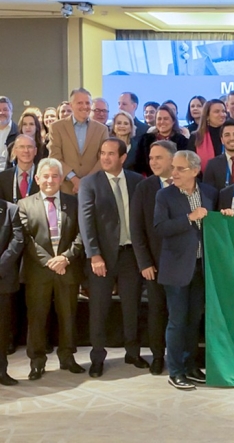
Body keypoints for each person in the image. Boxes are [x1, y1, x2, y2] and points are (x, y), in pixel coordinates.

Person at [78, 138, 147, 377]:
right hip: (102, 258)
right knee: (99, 309)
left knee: (132, 307)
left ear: (123, 157)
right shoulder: (90, 183)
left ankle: (133, 352)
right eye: (102, 153)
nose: (105, 157)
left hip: (131, 256)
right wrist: (94, 255)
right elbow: (86, 223)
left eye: (110, 153)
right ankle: (97, 357)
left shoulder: (138, 181)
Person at [154, 150, 218, 390]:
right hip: (176, 268)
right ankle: (176, 371)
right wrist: (189, 218)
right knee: (177, 321)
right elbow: (160, 228)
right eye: (173, 168)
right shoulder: (165, 196)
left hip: (202, 267)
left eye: (180, 169)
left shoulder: (210, 193)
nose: (174, 173)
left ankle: (190, 366)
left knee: (194, 320)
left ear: (195, 170)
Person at [18, 158, 86, 380]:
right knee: (37, 318)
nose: (50, 180)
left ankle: (67, 358)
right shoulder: (24, 205)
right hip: (39, 272)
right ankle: (37, 361)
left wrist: (65, 258)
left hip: (67, 270)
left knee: (68, 316)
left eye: (55, 176)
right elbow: (26, 240)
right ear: (37, 179)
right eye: (45, 176)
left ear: (60, 179)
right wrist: (49, 261)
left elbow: (82, 235)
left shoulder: (73, 203)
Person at [130, 139, 175, 376]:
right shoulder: (144, 188)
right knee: (157, 311)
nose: (153, 162)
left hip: (182, 263)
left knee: (180, 312)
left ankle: (179, 357)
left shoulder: (187, 184)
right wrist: (144, 262)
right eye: (151, 158)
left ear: (172, 159)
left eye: (159, 157)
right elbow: (136, 229)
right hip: (154, 265)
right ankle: (158, 356)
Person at [48, 88, 109, 194]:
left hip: (93, 188)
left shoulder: (101, 129)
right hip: (66, 188)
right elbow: (55, 156)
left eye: (87, 103)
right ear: (71, 105)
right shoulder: (56, 127)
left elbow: (103, 159)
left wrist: (85, 182)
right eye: (80, 103)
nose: (84, 106)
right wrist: (74, 180)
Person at [0, 196, 23, 385]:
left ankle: (1, 371)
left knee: (2, 329)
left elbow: (18, 240)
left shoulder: (10, 210)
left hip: (2, 278)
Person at [134, 105, 189, 176]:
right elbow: (139, 164)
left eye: (166, 119)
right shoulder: (145, 139)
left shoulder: (183, 141)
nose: (162, 122)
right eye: (159, 119)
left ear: (173, 121)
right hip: (150, 180)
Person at [202, 120, 234, 191]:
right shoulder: (212, 165)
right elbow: (208, 194)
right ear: (222, 140)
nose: (231, 138)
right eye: (227, 135)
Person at [188, 99, 227, 172]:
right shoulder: (196, 137)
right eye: (217, 111)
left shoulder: (231, 134)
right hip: (204, 180)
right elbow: (191, 165)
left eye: (223, 111)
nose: (222, 114)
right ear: (207, 116)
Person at [0, 134, 40, 203]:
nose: (26, 150)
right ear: (15, 150)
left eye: (29, 147)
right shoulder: (2, 178)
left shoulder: (43, 176)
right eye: (22, 147)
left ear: (35, 151)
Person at [0, 96, 18, 169]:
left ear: (11, 112)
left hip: (9, 176)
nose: (1, 113)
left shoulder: (18, 133)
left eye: (5, 109)